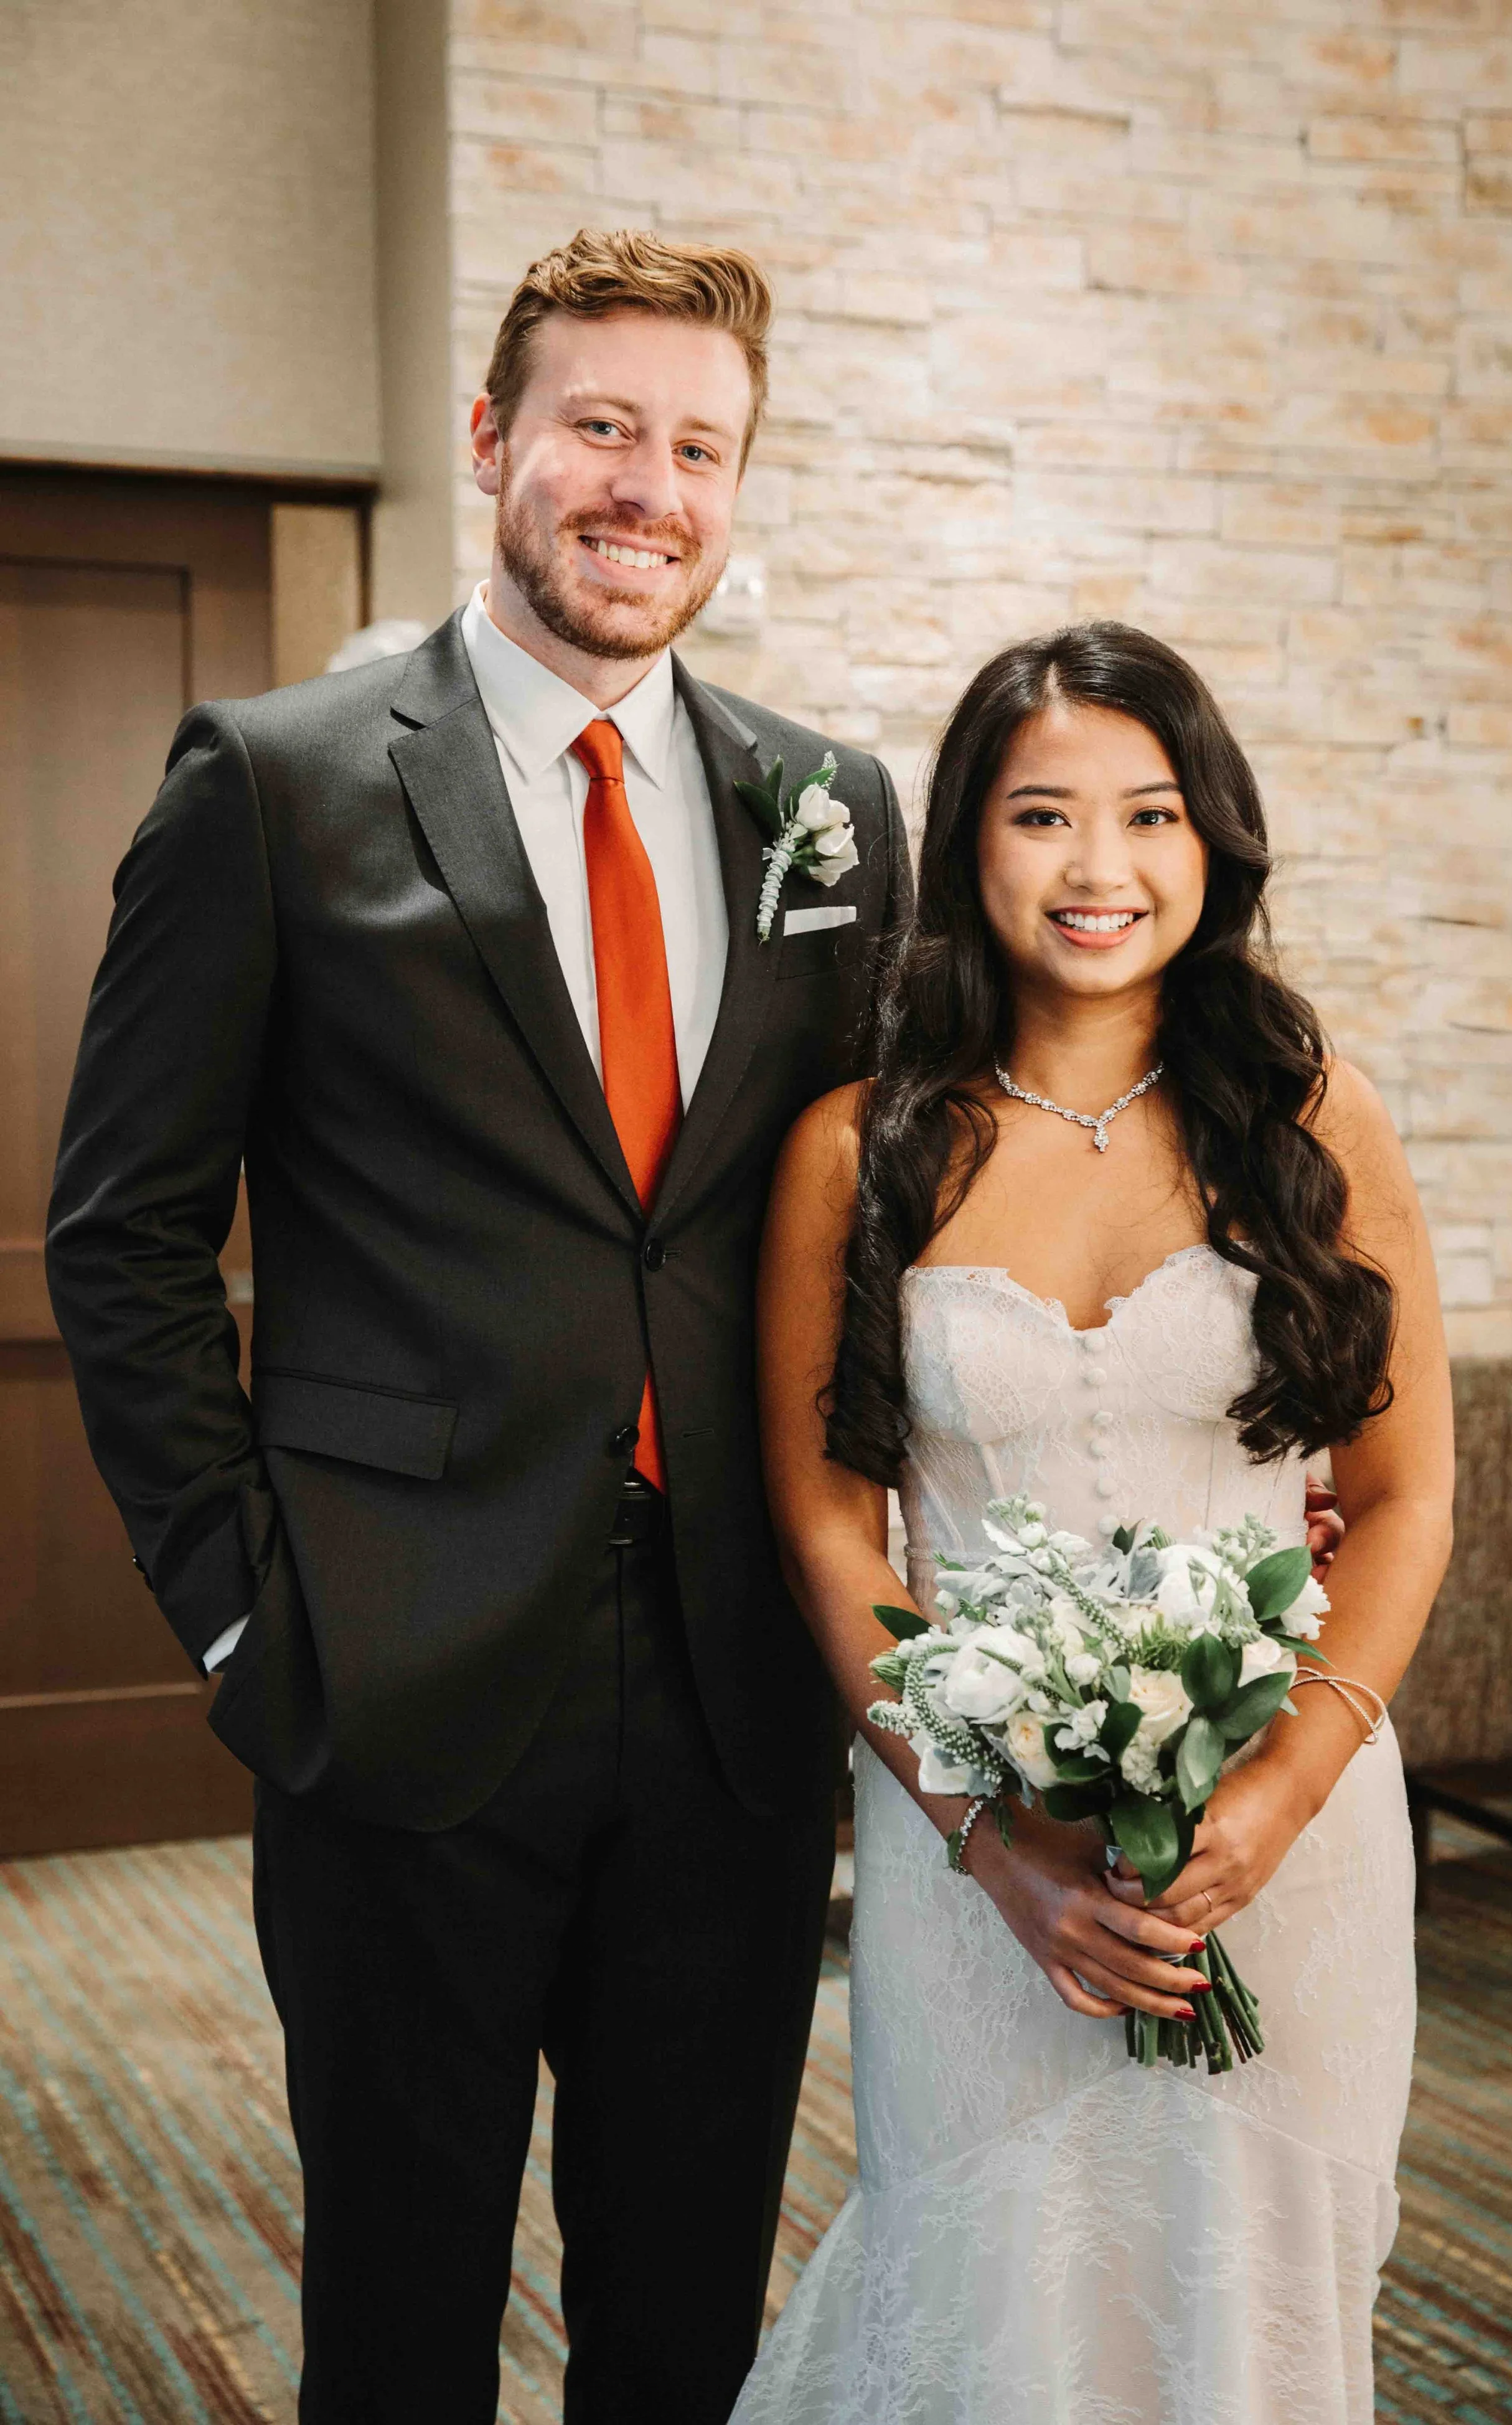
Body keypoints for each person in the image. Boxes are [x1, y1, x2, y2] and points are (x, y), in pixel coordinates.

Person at [45, 228, 911, 2425]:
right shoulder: (278, 777)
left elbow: (870, 1215)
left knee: (684, 2301)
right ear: (493, 441)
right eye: (602, 427)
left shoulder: (828, 809)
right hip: (395, 1669)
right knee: (406, 2321)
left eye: (699, 445)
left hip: (732, 1695)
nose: (648, 487)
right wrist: (247, 1620)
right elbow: (123, 1234)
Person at [741, 624, 1453, 2424]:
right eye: (1040, 813)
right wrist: (996, 1844)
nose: (1096, 868)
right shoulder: (858, 1146)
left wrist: (1274, 1796)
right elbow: (835, 1531)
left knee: (1258, 2295)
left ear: (1209, 840)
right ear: (967, 842)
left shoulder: (1311, 1118)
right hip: (971, 1848)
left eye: (1146, 814)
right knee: (990, 2285)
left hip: (1286, 1841)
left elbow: (1401, 1492)